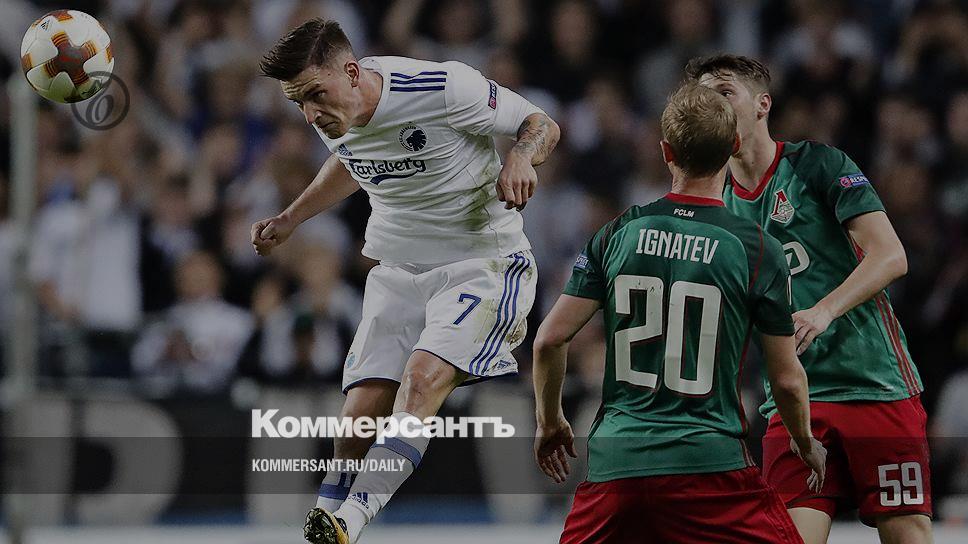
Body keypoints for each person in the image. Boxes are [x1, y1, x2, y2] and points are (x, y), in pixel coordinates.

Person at [251, 18, 560, 544]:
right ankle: (324, 518)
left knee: (420, 381)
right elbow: (351, 161)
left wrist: (519, 155)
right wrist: (291, 217)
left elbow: (541, 123)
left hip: (480, 265)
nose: (309, 114)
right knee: (358, 415)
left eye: (315, 95)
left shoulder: (443, 88)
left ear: (352, 72)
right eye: (298, 102)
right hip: (397, 271)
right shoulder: (335, 114)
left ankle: (348, 523)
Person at [533, 83, 824, 544]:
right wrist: (804, 441)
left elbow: (549, 339)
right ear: (733, 147)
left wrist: (550, 421)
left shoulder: (618, 232)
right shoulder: (756, 249)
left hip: (618, 465)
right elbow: (787, 380)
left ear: (666, 151)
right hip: (710, 468)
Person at [689, 54, 933, 544]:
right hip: (793, 402)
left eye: (725, 92)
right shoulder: (713, 204)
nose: (712, 104)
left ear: (763, 104)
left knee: (906, 532)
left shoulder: (818, 165)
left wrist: (824, 310)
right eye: (703, 97)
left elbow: (891, 256)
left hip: (873, 383)